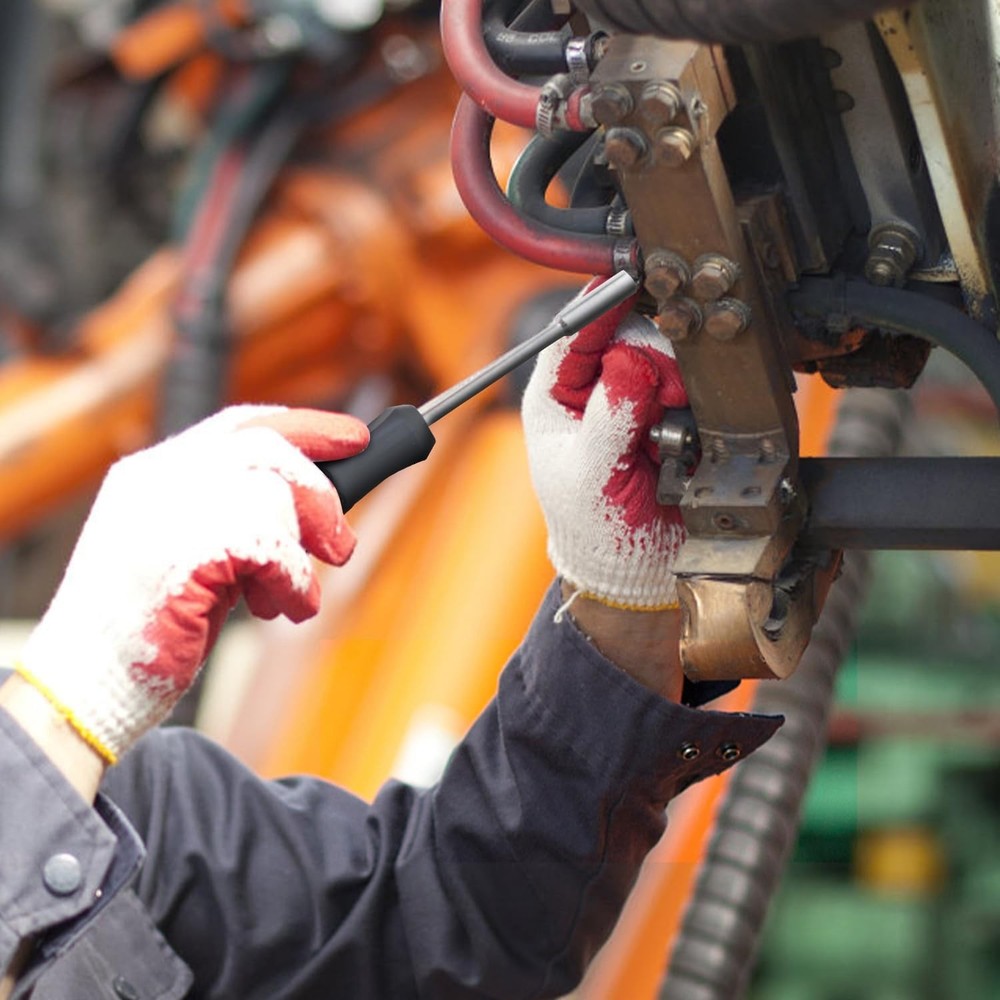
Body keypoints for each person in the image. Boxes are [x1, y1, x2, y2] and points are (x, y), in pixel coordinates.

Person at [0, 288, 781, 999]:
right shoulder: (80, 761)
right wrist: (64, 714)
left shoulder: (142, 815)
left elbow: (450, 933)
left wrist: (623, 597)